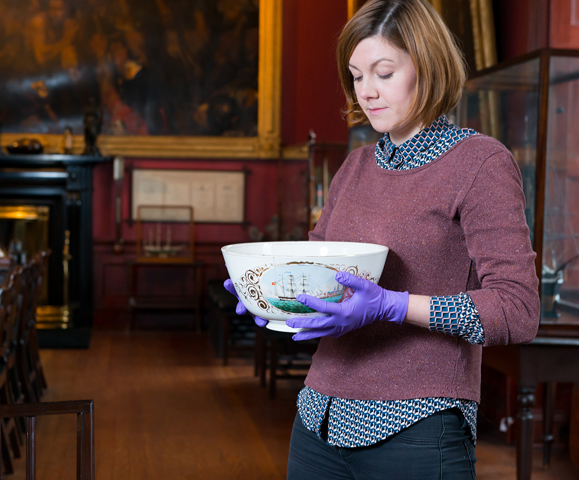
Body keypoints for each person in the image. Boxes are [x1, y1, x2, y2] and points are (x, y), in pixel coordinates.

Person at [224, 0, 540, 478]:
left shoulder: (479, 163)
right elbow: (319, 276)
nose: (367, 91)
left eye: (383, 72)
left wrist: (394, 305)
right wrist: (271, 291)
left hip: (418, 428)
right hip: (317, 422)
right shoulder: (354, 166)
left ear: (427, 68)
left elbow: (518, 310)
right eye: (356, 75)